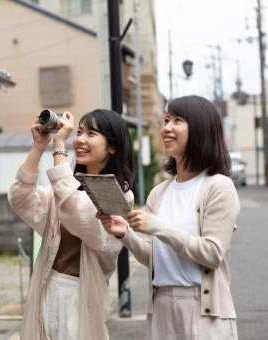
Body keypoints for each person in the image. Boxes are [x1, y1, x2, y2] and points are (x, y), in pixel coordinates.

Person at [98, 95, 240, 340]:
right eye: (165, 120)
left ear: (200, 129)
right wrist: (127, 234)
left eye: (177, 120)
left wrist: (156, 226)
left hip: (203, 307)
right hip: (161, 304)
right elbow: (154, 259)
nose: (166, 128)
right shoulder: (160, 192)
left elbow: (213, 253)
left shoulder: (218, 187)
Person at [8, 109, 134, 340]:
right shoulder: (66, 186)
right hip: (47, 286)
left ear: (112, 147)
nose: (80, 140)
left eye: (91, 134)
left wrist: (58, 146)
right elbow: (20, 199)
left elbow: (78, 212)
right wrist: (39, 146)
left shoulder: (120, 195)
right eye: (78, 132)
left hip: (79, 296)